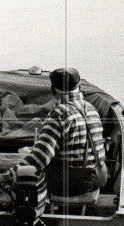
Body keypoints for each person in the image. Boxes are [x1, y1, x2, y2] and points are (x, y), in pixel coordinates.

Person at [13, 68, 108, 198]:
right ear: (79, 86)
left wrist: (9, 174)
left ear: (53, 89)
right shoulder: (92, 109)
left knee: (26, 176)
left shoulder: (59, 114)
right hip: (99, 177)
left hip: (71, 183)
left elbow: (39, 158)